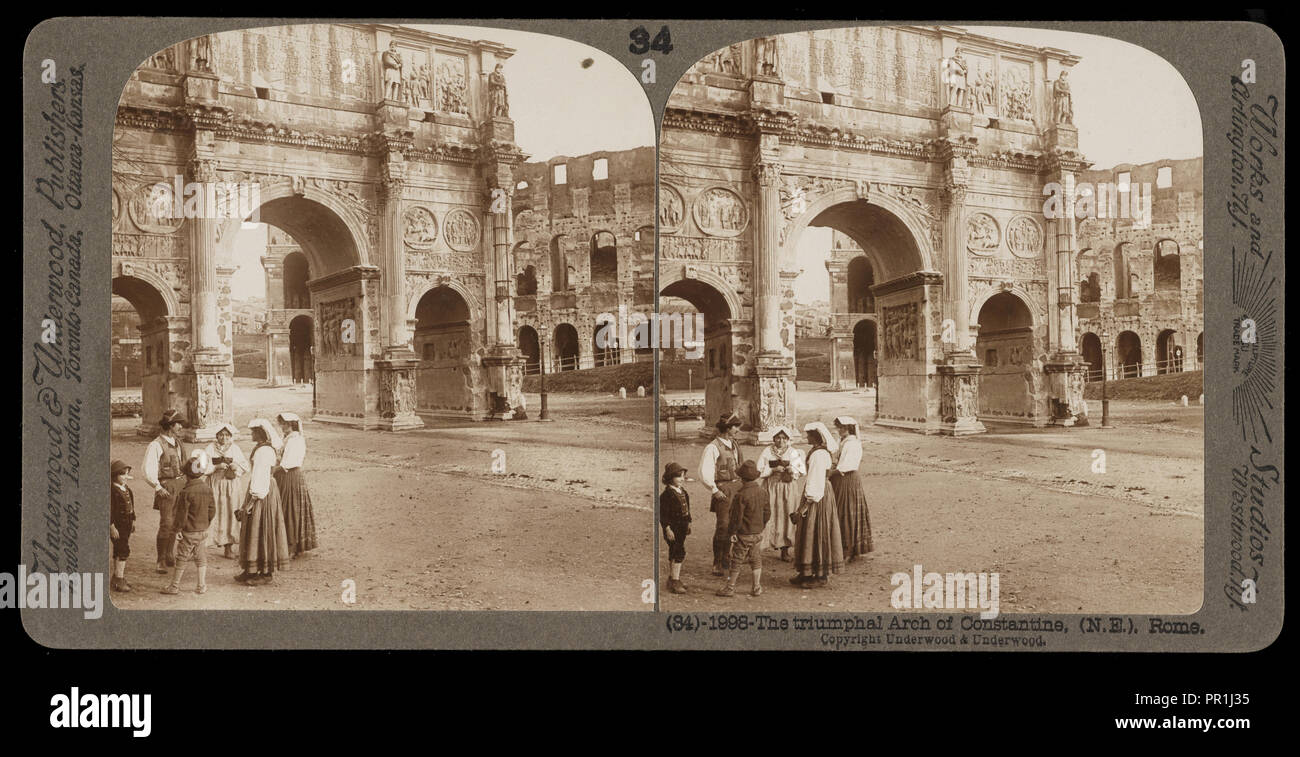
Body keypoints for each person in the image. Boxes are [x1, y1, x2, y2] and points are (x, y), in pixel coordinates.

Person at [238, 419, 291, 586]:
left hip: (263, 492)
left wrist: (253, 500)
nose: (252, 434)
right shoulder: (260, 449)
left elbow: (261, 475)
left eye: (254, 432)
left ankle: (265, 572)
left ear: (260, 434)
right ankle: (250, 569)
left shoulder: (264, 451)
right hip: (259, 488)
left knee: (262, 528)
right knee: (253, 529)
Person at [791, 422, 844, 588]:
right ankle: (805, 572)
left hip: (818, 495)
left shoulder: (819, 455)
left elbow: (816, 479)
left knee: (816, 532)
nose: (807, 437)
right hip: (816, 491)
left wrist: (805, 506)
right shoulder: (816, 452)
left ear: (816, 437)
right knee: (808, 533)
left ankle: (820, 575)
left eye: (809, 435)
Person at [163, 451, 217, 595]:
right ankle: (201, 586)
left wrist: (177, 530)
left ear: (186, 474)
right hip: (203, 530)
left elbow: (181, 515)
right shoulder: (207, 489)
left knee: (182, 557)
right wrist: (206, 522)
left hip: (188, 531)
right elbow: (212, 510)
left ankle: (174, 586)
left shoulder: (186, 492)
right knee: (200, 558)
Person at [142, 409, 187, 574]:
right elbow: (147, 469)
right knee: (166, 523)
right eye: (178, 424)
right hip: (166, 487)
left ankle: (169, 554)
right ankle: (160, 560)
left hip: (180, 485)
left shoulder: (178, 443)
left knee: (177, 523)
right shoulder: (156, 445)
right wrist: (158, 487)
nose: (181, 427)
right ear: (170, 425)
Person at [716, 460, 769, 597]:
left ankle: (730, 587)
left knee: (737, 560)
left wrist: (732, 532)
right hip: (757, 533)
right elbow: (767, 513)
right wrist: (761, 525)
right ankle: (756, 587)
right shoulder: (763, 492)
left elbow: (736, 518)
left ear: (741, 478)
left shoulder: (740, 495)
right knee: (756, 559)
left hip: (744, 533)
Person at [699, 413, 744, 576]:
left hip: (737, 488)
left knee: (735, 525)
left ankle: (727, 557)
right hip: (723, 490)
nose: (738, 430)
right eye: (736, 427)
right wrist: (714, 489)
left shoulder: (735, 444)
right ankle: (717, 562)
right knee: (723, 526)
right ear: (727, 428)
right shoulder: (713, 447)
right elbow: (704, 471)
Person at [757, 427, 805, 561]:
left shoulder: (793, 452)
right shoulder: (767, 451)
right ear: (773, 438)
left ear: (788, 439)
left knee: (786, 515)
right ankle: (761, 547)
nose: (781, 440)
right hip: (771, 486)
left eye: (784, 438)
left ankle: (785, 550)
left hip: (787, 488)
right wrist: (772, 469)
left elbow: (801, 471)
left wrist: (792, 469)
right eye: (778, 437)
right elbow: (759, 468)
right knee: (768, 515)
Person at [276, 412, 318, 557]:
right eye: (282, 423)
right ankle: (285, 544)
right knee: (285, 508)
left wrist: (273, 469)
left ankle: (292, 546)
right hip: (283, 475)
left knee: (291, 508)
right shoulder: (286, 438)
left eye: (285, 424)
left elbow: (290, 462)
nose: (283, 426)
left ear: (292, 425)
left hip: (291, 475)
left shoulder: (296, 440)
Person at [832, 416, 874, 561]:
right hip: (839, 479)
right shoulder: (842, 441)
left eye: (842, 427)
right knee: (840, 511)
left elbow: (848, 465)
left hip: (848, 479)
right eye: (838, 427)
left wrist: (831, 472)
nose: (839, 430)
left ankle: (849, 549)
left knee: (847, 512)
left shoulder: (853, 444)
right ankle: (843, 547)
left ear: (849, 428)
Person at [204, 423, 247, 560]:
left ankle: (228, 548)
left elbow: (245, 466)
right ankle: (200, 548)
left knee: (230, 513)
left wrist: (236, 467)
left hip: (231, 485)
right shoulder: (210, 448)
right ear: (217, 435)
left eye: (227, 435)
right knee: (212, 513)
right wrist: (216, 466)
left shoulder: (235, 448)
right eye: (221, 435)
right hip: (215, 484)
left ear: (230, 437)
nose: (224, 438)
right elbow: (202, 466)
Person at [659, 462, 691, 595]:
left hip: (682, 527)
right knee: (678, 552)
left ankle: (672, 578)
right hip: (672, 529)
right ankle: (675, 580)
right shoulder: (666, 495)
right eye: (678, 477)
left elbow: (687, 510)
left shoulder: (683, 492)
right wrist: (667, 529)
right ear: (671, 478)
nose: (682, 479)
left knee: (675, 550)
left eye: (683, 476)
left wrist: (688, 523)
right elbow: (663, 515)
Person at [109, 460, 136, 593]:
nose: (126, 477)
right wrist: (111, 526)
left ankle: (116, 576)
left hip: (127, 524)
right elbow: (109, 510)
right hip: (117, 526)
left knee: (120, 549)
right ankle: (119, 578)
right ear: (114, 476)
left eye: (127, 474)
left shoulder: (127, 489)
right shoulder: (112, 491)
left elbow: (132, 507)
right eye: (122, 475)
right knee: (122, 549)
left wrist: (133, 521)